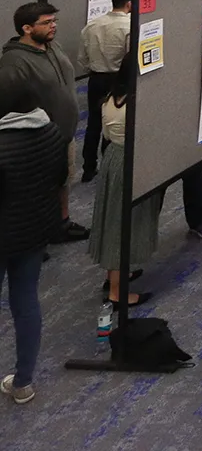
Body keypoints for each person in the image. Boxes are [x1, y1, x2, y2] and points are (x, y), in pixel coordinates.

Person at [0, 66, 69, 406]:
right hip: (34, 231)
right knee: (25, 301)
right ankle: (24, 381)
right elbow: (59, 179)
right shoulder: (52, 132)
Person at [1, 2, 89, 243]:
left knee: (63, 180)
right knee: (35, 191)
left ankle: (61, 223)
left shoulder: (51, 46)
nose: (53, 26)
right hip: (36, 142)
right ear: (26, 28)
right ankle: (33, 237)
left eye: (54, 21)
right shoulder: (14, 63)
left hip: (64, 133)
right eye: (47, 23)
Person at [89, 55, 163, 306]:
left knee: (114, 221)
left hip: (113, 158)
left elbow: (108, 134)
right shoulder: (139, 103)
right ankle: (117, 293)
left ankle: (117, 275)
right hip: (130, 162)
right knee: (123, 226)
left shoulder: (110, 99)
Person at [78, 0, 134, 183]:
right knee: (113, 123)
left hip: (95, 79)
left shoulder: (91, 25)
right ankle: (108, 169)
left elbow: (82, 59)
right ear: (129, 4)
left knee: (93, 123)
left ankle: (88, 168)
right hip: (118, 81)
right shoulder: (130, 27)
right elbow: (130, 61)